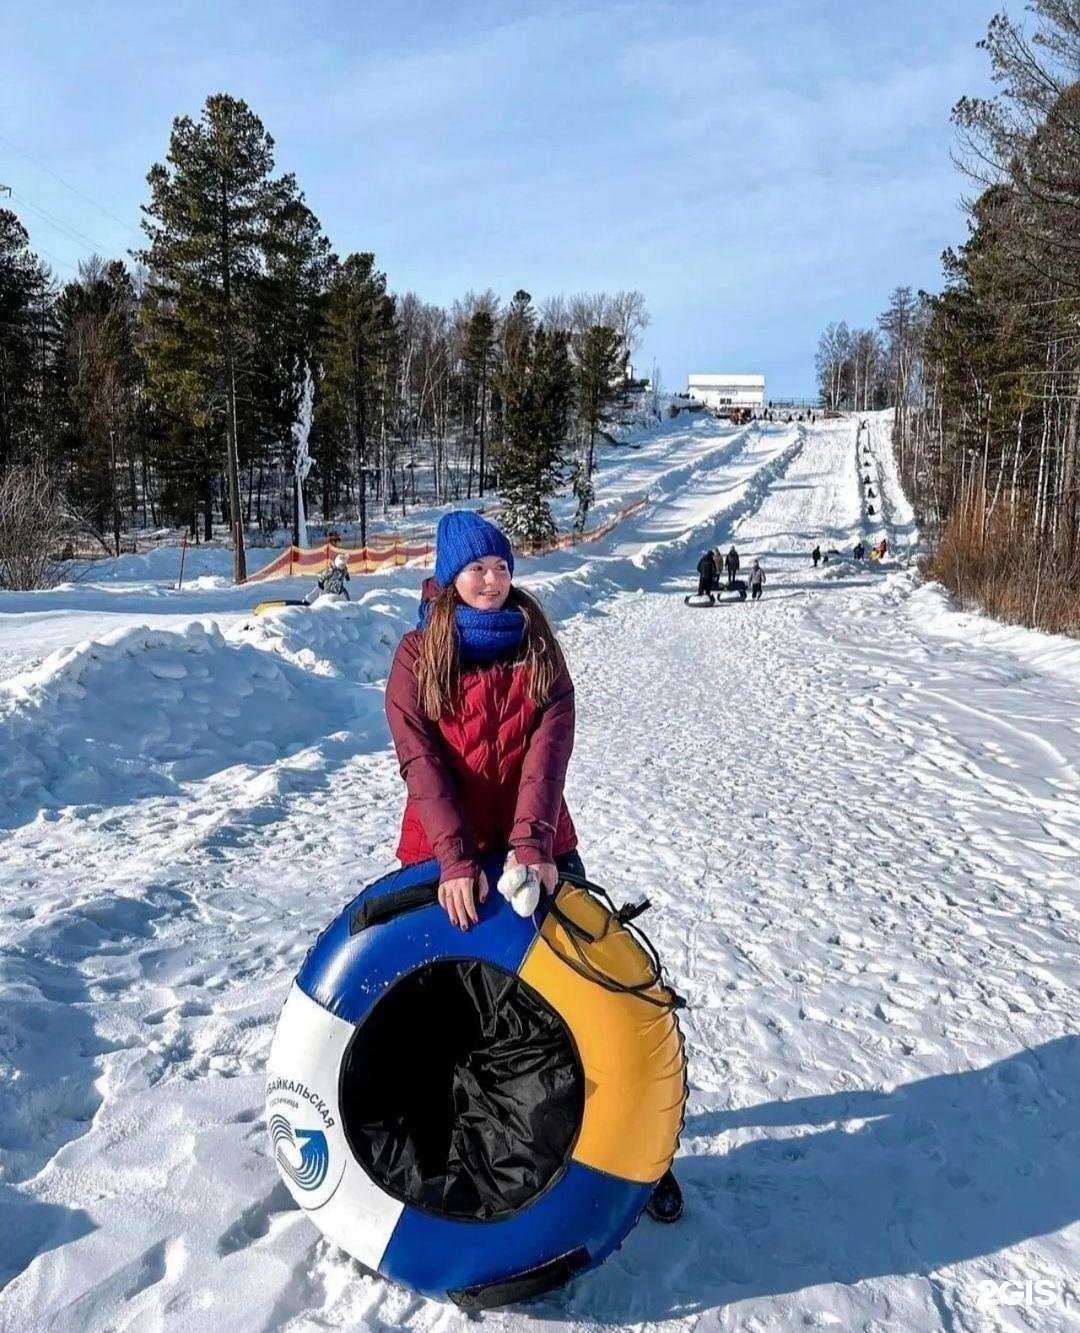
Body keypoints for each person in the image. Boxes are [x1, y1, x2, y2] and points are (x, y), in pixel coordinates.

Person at [385, 510, 684, 1225]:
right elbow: (419, 761)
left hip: (539, 847)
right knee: (450, 1018)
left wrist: (533, 846)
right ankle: (453, 1162)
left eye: (500, 567)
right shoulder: (416, 653)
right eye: (476, 569)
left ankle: (644, 1160)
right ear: (450, 577)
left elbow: (549, 752)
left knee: (596, 1002)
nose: (491, 580)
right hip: (444, 852)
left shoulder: (537, 644)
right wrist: (455, 859)